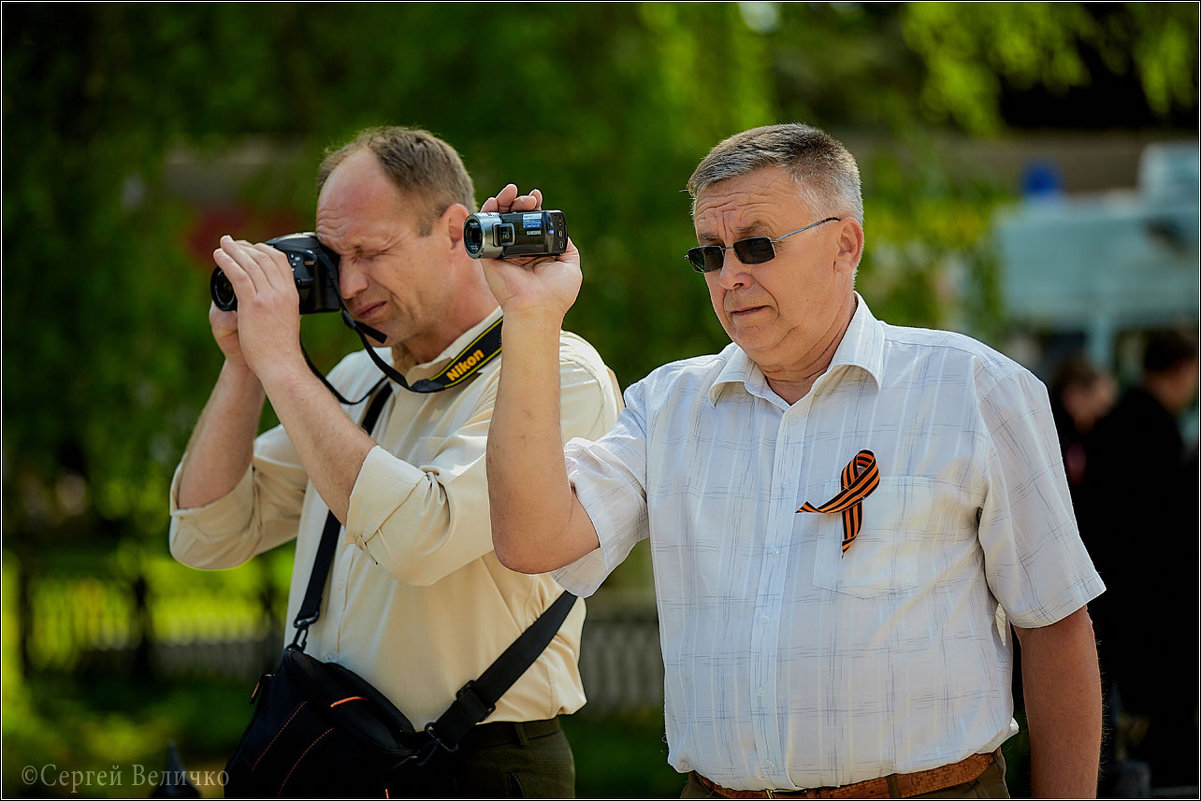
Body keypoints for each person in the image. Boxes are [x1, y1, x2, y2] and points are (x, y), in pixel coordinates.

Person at [480, 123, 1105, 798]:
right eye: (710, 254)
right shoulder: (667, 405)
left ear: (845, 244)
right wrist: (531, 317)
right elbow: (530, 538)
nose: (729, 275)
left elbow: (1054, 625)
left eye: (755, 245)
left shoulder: (973, 389)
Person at [168, 126, 623, 797]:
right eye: (333, 257)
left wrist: (284, 364)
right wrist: (245, 363)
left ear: (452, 231)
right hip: (329, 745)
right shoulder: (362, 378)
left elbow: (419, 537)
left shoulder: (556, 371)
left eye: (369, 252)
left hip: (476, 764)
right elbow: (205, 535)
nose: (349, 284)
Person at [1082, 327, 1199, 792]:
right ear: (1182, 371)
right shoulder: (1163, 434)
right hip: (1158, 607)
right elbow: (1173, 536)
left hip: (1109, 597)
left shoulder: (1111, 423)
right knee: (1165, 733)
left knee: (1117, 723)